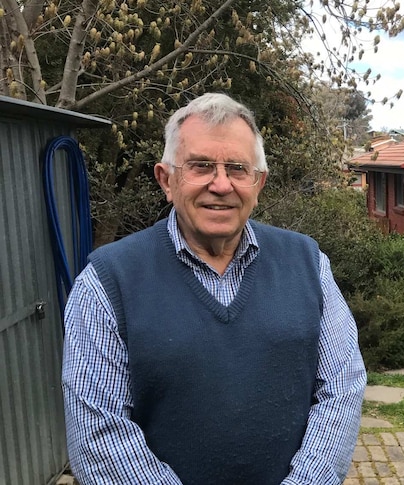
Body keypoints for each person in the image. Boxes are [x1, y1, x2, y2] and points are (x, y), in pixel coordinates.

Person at [62, 92, 367, 485]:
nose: (221, 184)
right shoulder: (107, 282)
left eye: (238, 169)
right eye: (201, 166)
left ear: (258, 183)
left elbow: (342, 387)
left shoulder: (309, 264)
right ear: (166, 179)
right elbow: (98, 433)